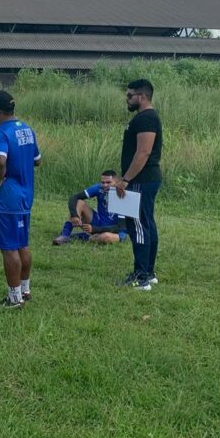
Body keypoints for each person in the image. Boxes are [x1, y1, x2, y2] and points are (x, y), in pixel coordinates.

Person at [0, 90, 41, 309]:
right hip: (25, 196)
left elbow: (0, 163)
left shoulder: (0, 133)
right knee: (22, 244)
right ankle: (25, 289)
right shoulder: (27, 129)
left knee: (9, 248)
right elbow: (37, 161)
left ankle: (14, 298)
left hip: (7, 199)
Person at [115, 79, 163, 291]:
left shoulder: (146, 119)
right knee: (146, 224)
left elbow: (143, 153)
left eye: (130, 95)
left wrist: (126, 179)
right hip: (143, 179)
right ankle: (148, 272)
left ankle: (141, 276)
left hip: (142, 180)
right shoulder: (143, 118)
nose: (127, 99)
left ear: (142, 97)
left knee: (139, 226)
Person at [52, 170, 128, 245]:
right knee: (79, 203)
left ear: (117, 182)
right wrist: (74, 215)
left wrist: (95, 229)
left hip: (116, 231)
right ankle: (65, 235)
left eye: (108, 182)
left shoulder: (124, 196)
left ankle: (81, 236)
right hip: (99, 222)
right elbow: (74, 197)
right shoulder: (99, 188)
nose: (105, 185)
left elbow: (120, 227)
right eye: (103, 182)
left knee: (106, 237)